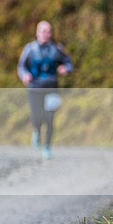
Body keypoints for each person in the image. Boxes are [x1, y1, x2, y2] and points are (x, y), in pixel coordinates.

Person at [18, 20, 73, 160]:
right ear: (37, 33)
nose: (46, 34)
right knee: (37, 116)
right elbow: (21, 67)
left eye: (49, 31)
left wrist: (65, 68)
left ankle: (47, 146)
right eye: (43, 31)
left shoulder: (57, 49)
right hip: (34, 88)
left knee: (50, 118)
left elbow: (69, 62)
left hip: (51, 88)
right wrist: (25, 76)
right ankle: (36, 131)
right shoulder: (30, 49)